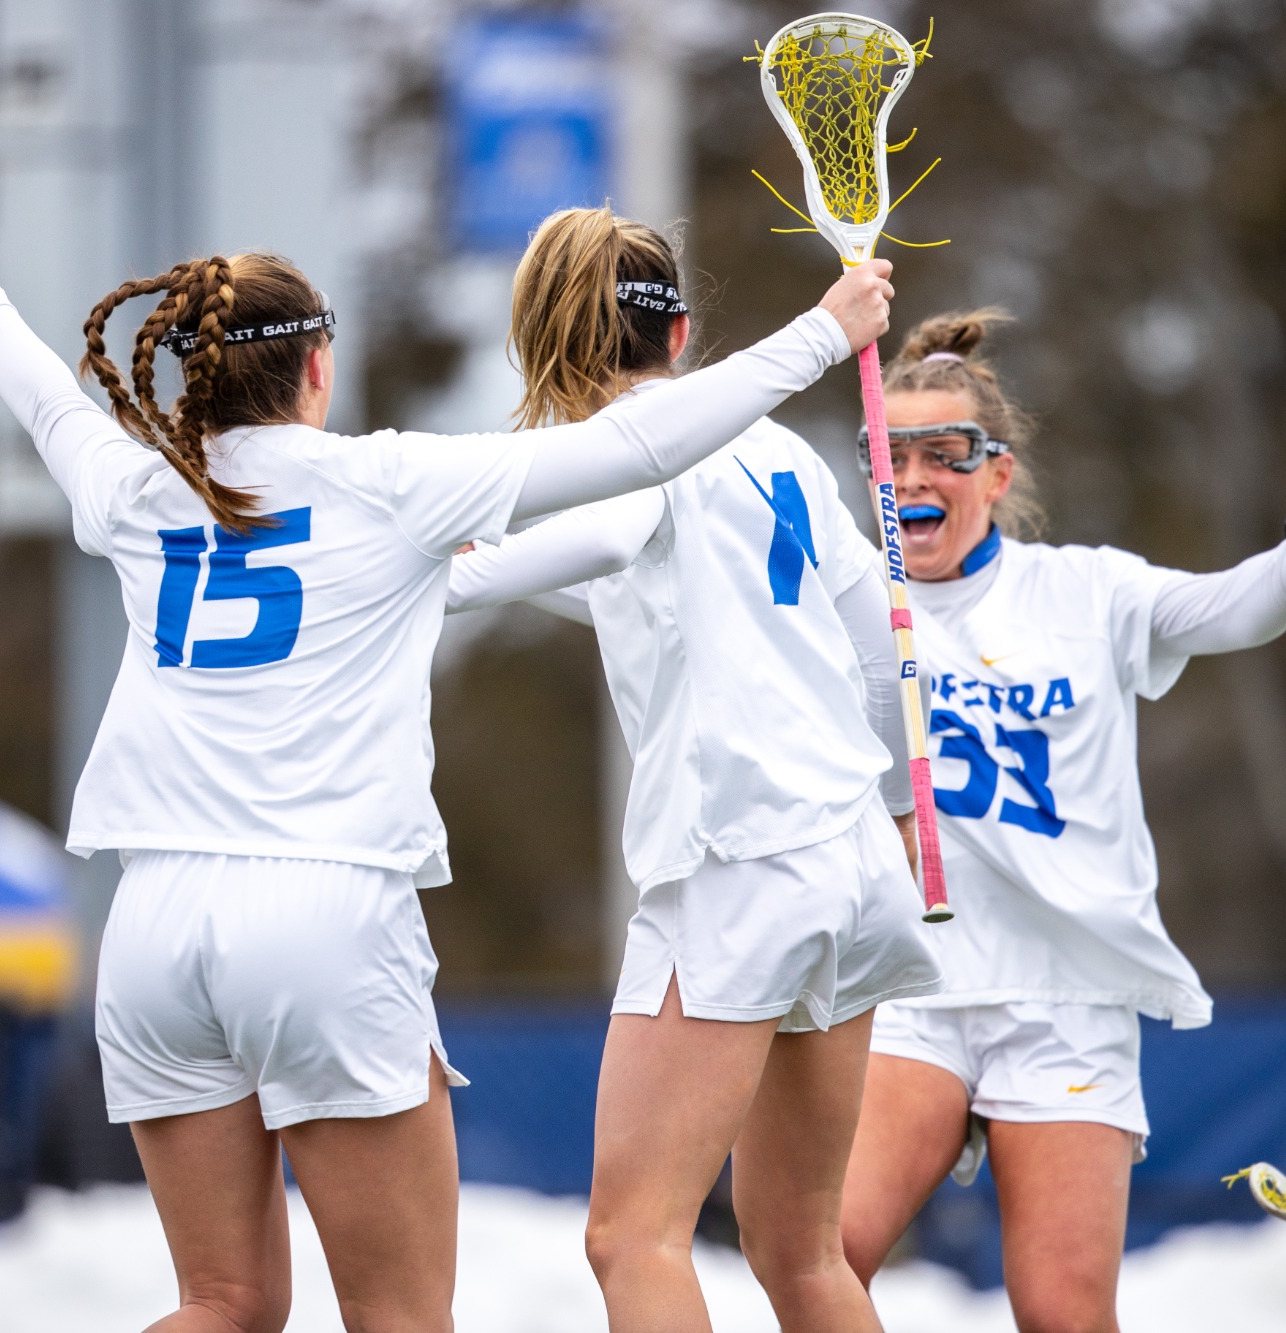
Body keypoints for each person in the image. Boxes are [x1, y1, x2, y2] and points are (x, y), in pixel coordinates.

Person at [0, 189, 892, 1333]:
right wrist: (823, 331)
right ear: (316, 368)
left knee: (220, 1301)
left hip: (152, 923)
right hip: (324, 913)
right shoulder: (386, 482)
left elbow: (46, 403)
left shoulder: (132, 485)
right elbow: (636, 447)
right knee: (406, 1314)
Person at [835, 310, 1286, 1333]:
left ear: (996, 473)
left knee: (1060, 1312)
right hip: (914, 984)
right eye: (890, 455)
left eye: (945, 453)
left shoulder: (1083, 590)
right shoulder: (844, 601)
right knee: (822, 1254)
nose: (913, 477)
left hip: (1066, 995)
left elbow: (1226, 609)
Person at [445, 206, 941, 1333]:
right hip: (851, 860)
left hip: (735, 864)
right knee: (803, 1251)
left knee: (633, 1236)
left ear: (544, 344)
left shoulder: (624, 453)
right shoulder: (780, 451)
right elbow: (878, 655)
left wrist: (442, 574)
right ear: (676, 335)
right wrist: (884, 818)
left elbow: (610, 534)